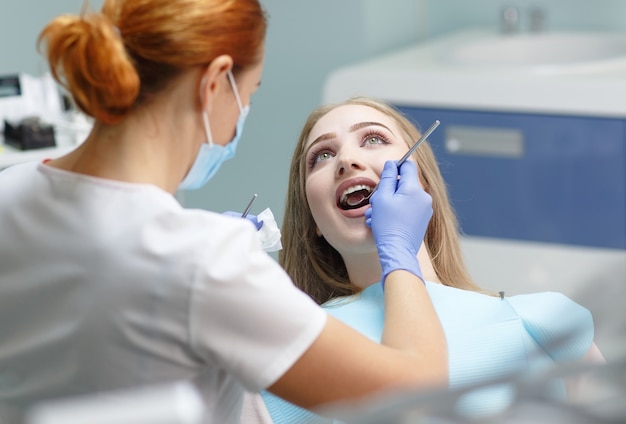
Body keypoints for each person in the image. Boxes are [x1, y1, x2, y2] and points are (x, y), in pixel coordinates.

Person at [0, 2, 449, 423]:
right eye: (248, 93)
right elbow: (417, 396)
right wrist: (399, 251)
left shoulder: (9, 189)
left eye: (371, 139)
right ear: (215, 83)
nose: (348, 161)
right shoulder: (202, 261)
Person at [260, 96, 606, 422]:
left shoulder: (543, 322)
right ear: (313, 222)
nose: (346, 162)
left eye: (374, 139)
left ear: (422, 184)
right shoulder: (287, 355)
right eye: (321, 155)